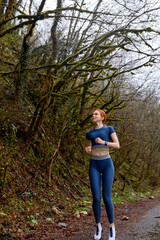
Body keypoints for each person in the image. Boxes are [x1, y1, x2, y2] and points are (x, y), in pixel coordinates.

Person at [85, 109, 120, 240]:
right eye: (93, 114)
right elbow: (88, 147)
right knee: (96, 197)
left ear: (102, 117)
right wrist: (88, 149)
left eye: (96, 114)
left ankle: (112, 227)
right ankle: (98, 226)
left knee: (106, 197)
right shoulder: (89, 133)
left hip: (107, 165)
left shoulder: (109, 129)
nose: (93, 116)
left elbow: (117, 145)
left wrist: (104, 142)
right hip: (94, 165)